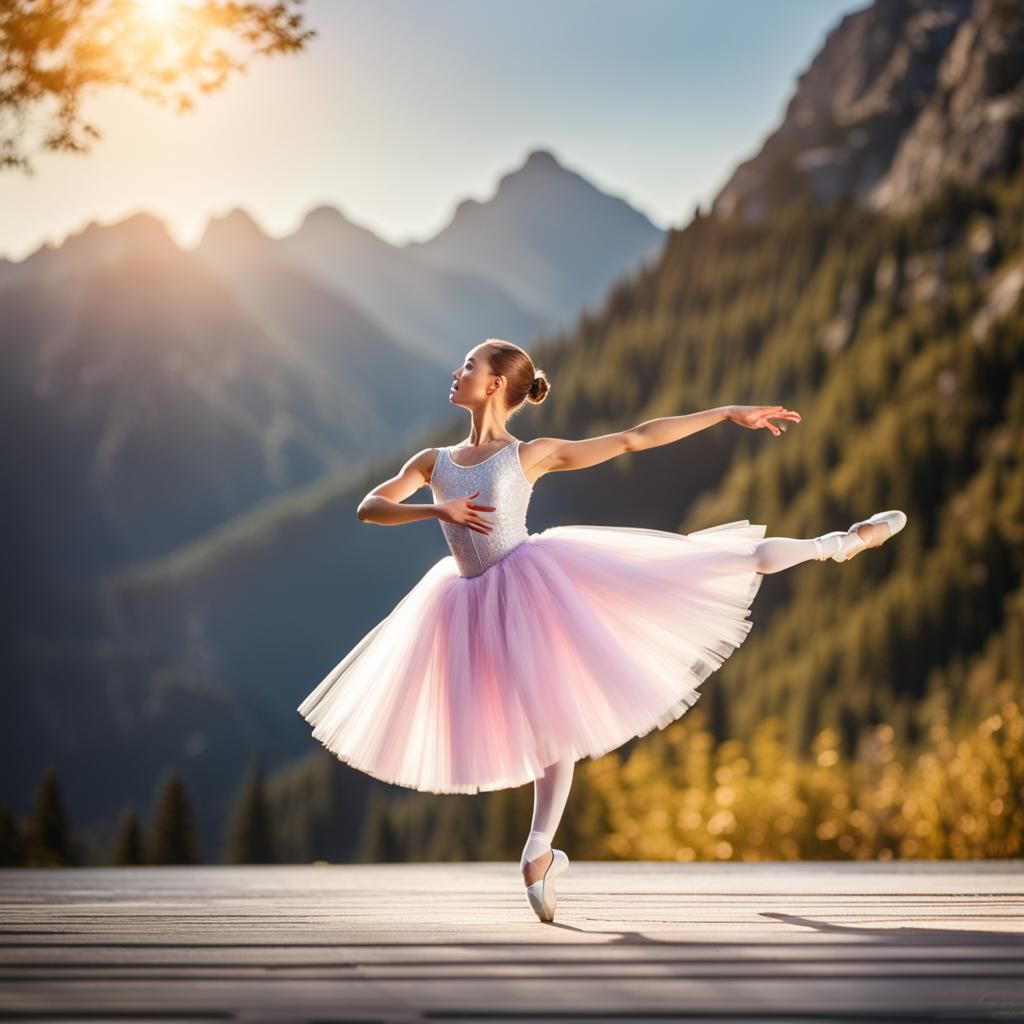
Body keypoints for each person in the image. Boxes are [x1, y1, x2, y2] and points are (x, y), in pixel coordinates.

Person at [297, 337, 906, 923]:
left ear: (497, 383)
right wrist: (438, 507)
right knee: (541, 727)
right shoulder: (434, 463)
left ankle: (836, 544)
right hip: (467, 603)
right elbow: (370, 507)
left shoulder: (529, 454)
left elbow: (635, 438)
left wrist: (726, 413)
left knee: (708, 564)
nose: (457, 373)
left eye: (469, 364)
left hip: (534, 588)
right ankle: (541, 855)